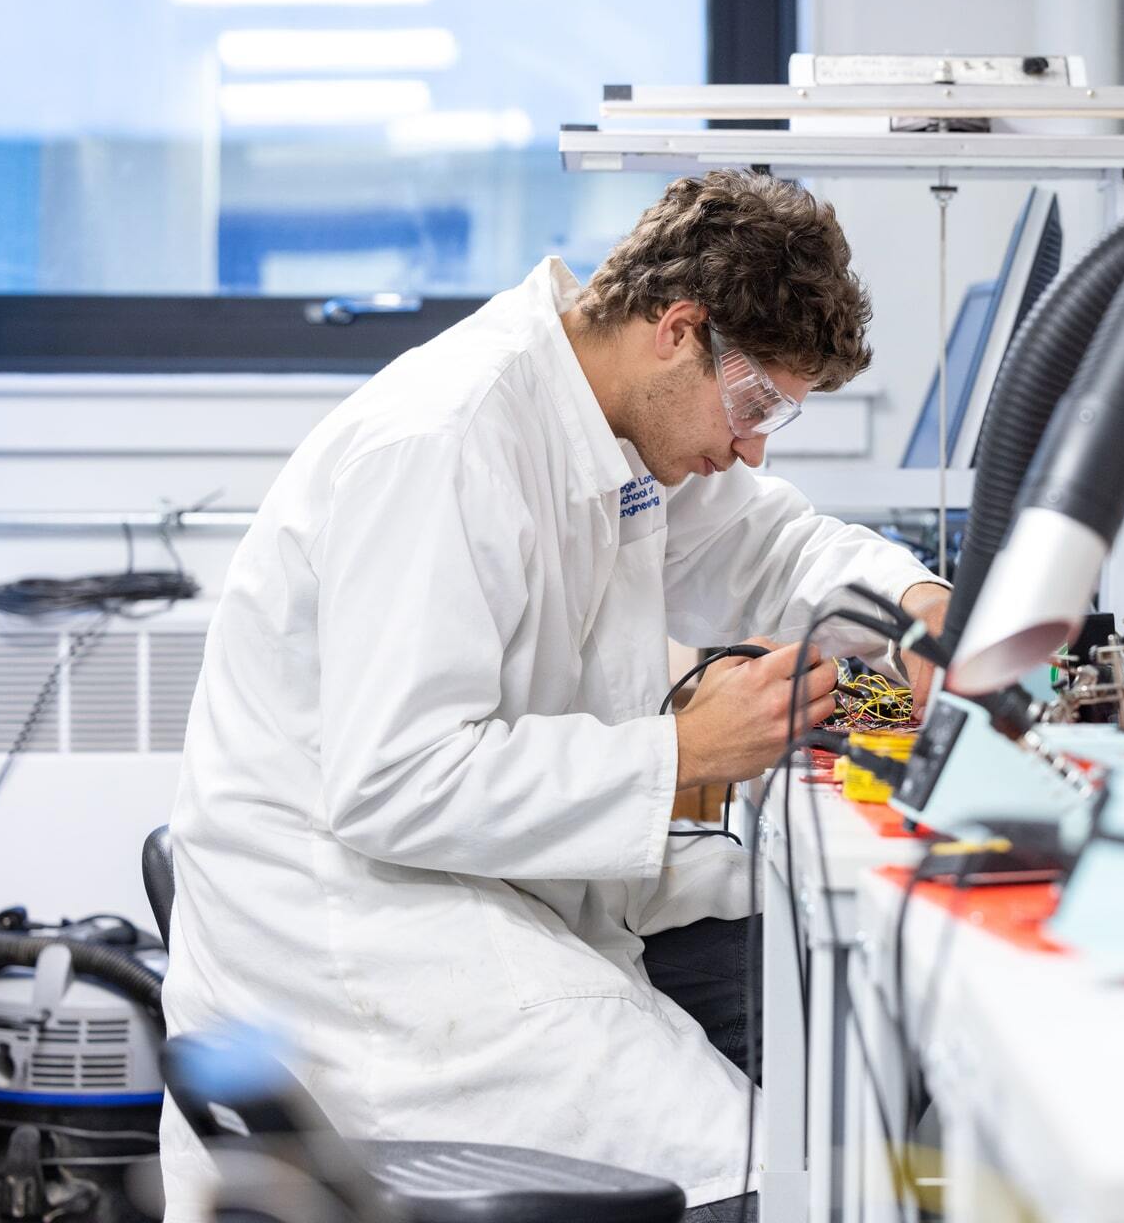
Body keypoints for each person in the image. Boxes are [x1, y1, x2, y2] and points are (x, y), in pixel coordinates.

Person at [158, 171, 950, 1220]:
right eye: (756, 401)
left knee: (829, 1009)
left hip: (496, 890)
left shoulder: (602, 424)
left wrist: (915, 601)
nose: (755, 442)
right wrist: (683, 753)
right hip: (371, 943)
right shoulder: (445, 440)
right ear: (679, 328)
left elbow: (767, 538)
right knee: (760, 1180)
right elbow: (392, 782)